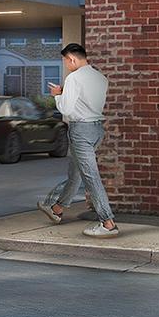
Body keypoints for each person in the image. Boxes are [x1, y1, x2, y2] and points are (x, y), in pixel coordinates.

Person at [37, 42, 117, 237]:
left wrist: (57, 95)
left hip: (80, 131)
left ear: (72, 59)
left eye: (66, 62)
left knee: (90, 176)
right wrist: (67, 91)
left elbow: (66, 109)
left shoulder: (74, 78)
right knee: (76, 174)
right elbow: (87, 101)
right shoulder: (100, 78)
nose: (66, 66)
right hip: (96, 129)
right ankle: (57, 209)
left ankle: (107, 223)